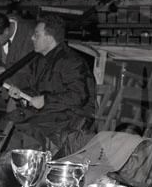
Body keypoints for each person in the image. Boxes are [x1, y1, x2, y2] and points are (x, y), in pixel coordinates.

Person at [5, 13, 96, 156]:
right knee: (6, 122)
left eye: (37, 35)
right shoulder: (39, 61)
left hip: (70, 118)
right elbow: (35, 92)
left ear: (49, 38)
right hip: (49, 114)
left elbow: (78, 96)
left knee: (27, 128)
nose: (32, 38)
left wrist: (45, 100)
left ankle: (28, 165)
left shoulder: (71, 61)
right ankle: (12, 165)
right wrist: (21, 94)